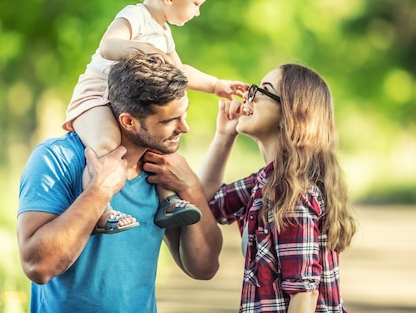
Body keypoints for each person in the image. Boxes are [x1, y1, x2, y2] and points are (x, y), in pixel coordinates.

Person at [17, 52, 223, 312]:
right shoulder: (56, 159)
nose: (184, 127)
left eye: (184, 114)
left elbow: (204, 268)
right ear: (128, 121)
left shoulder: (163, 175)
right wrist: (99, 192)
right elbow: (38, 266)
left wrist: (191, 188)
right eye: (169, 120)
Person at [143, 63, 357, 312]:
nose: (247, 97)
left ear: (291, 113)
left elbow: (304, 297)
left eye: (261, 91)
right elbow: (207, 204)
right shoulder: (265, 183)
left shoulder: (292, 195)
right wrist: (224, 137)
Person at [62, 0, 247, 232]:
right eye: (196, 4)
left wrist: (215, 85)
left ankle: (169, 201)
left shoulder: (164, 33)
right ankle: (100, 209)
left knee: (159, 151)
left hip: (131, 104)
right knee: (106, 146)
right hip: (98, 94)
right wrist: (140, 48)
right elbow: (108, 46)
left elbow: (180, 72)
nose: (197, 13)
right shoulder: (135, 16)